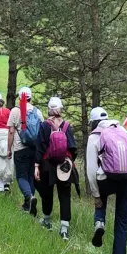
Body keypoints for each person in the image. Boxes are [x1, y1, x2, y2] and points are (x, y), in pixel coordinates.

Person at [86, 106, 127, 254]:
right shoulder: (121, 130)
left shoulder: (94, 136)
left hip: (106, 180)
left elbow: (91, 169)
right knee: (122, 224)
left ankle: (100, 222)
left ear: (93, 122)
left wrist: (96, 195)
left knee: (101, 195)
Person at [34, 96, 78, 240]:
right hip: (65, 166)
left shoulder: (45, 125)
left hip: (48, 165)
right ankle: (64, 229)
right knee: (64, 196)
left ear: (49, 110)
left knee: (47, 194)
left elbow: (40, 147)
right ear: (60, 110)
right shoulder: (66, 125)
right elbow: (73, 147)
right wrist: (70, 161)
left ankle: (47, 221)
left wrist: (36, 165)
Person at [7, 86, 42, 215]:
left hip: (20, 148)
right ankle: (28, 205)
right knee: (30, 177)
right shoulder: (38, 112)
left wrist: (8, 149)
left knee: (21, 176)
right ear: (30, 97)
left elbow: (11, 132)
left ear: (19, 97)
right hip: (34, 149)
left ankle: (29, 197)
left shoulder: (15, 111)